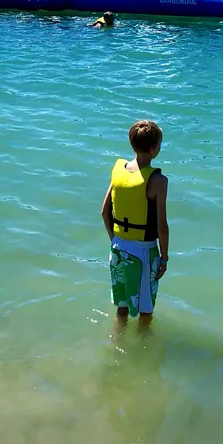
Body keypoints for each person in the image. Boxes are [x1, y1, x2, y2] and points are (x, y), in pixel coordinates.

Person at [100, 119, 169, 336]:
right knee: (145, 310)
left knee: (122, 305)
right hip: (143, 252)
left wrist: (114, 238)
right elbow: (162, 226)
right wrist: (164, 258)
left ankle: (117, 341)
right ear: (155, 148)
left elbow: (104, 211)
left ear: (132, 144)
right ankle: (141, 352)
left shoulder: (118, 170)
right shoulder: (158, 180)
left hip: (118, 247)